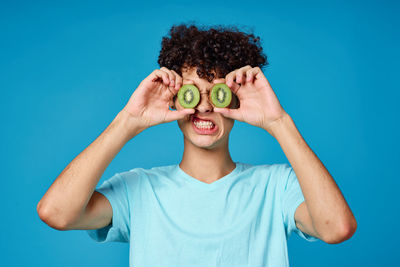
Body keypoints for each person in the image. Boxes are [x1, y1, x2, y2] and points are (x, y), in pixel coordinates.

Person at [37, 24, 357, 266]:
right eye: (192, 93)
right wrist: (128, 121)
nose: (204, 107)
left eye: (217, 93)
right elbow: (56, 212)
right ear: (176, 99)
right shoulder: (140, 190)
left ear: (236, 100)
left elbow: (337, 228)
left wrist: (278, 122)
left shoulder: (275, 187)